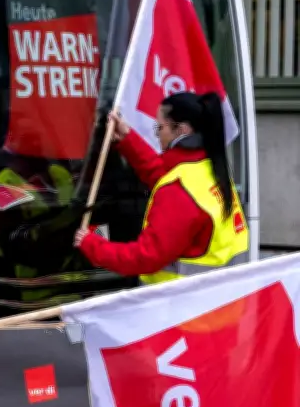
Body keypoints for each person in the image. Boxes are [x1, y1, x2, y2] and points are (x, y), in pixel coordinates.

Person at [73, 91, 249, 285]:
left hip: (179, 307)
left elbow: (146, 256)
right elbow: (162, 174)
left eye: (160, 127)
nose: (157, 135)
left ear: (181, 130)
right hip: (218, 302)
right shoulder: (209, 169)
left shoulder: (178, 190)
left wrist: (93, 245)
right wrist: (127, 139)